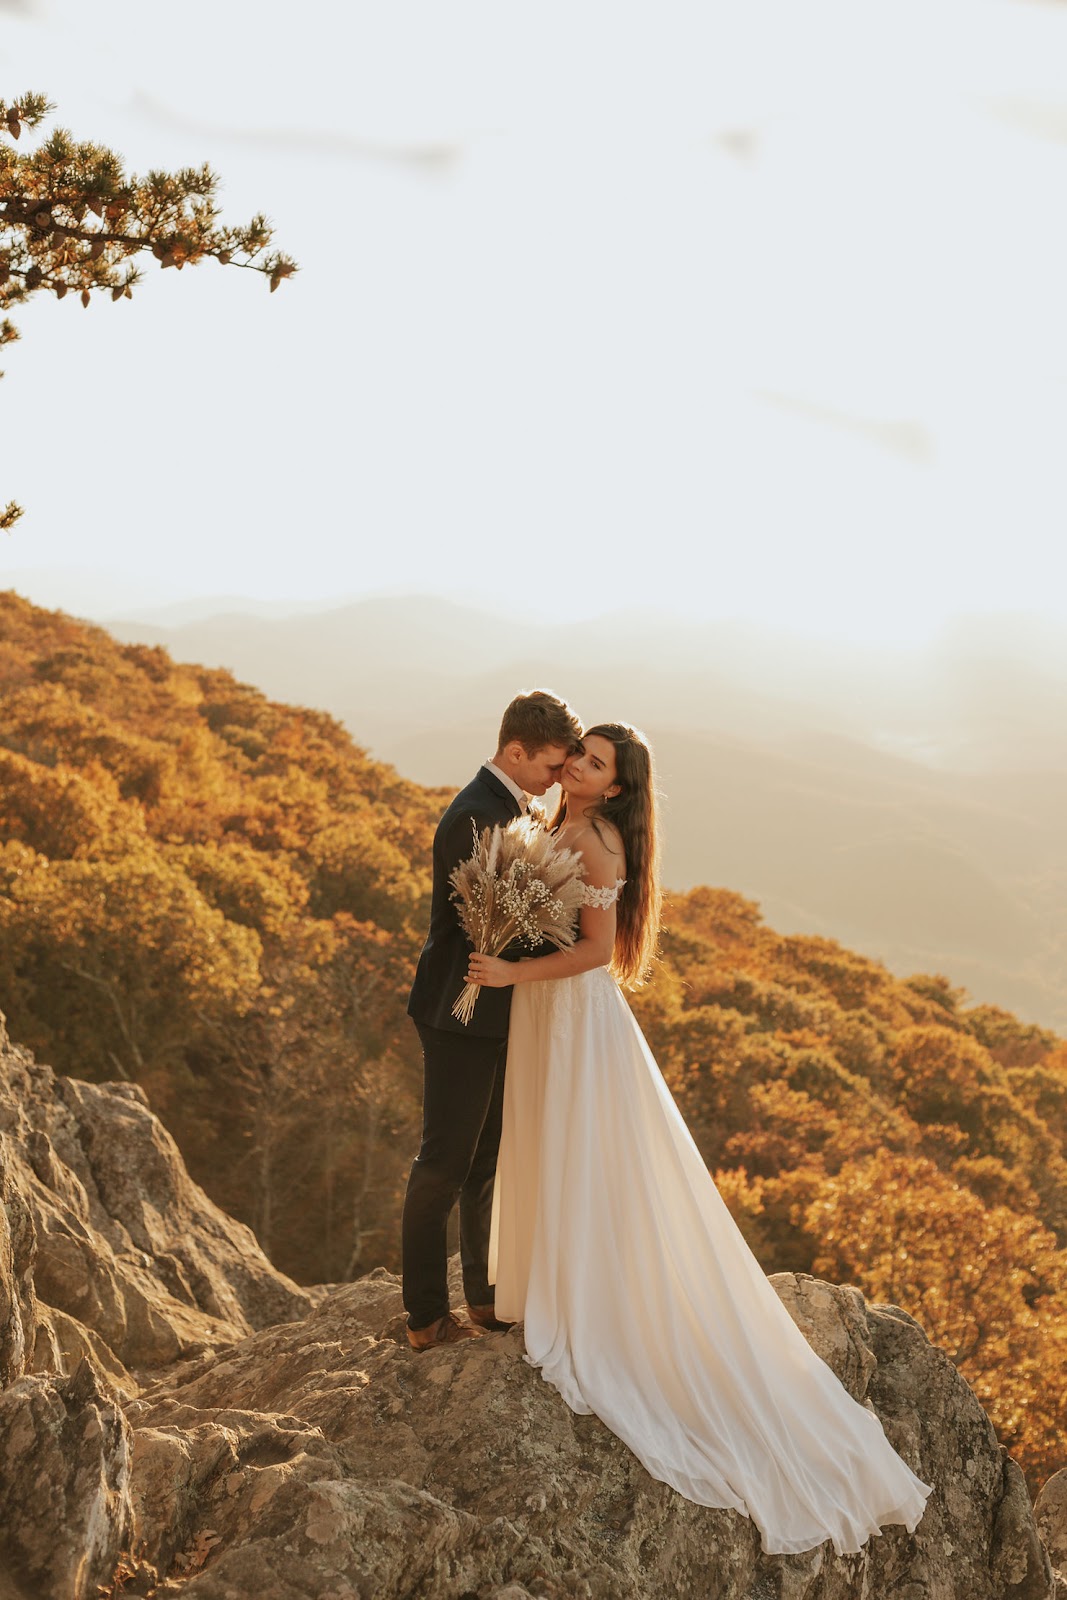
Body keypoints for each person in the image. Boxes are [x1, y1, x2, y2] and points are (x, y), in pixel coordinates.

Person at [467, 723, 933, 1557]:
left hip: (572, 1019)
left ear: (614, 788)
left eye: (595, 762)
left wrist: (506, 972)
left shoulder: (600, 842)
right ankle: (542, 1280)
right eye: (577, 751)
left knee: (586, 1158)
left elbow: (595, 952)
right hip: (538, 1017)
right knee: (543, 1148)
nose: (576, 763)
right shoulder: (550, 822)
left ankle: (586, 1299)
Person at [402, 688, 583, 1351]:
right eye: (551, 766)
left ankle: (483, 1296)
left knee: (484, 1160)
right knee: (443, 1164)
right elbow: (490, 925)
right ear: (516, 750)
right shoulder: (476, 816)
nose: (557, 779)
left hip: (496, 1007)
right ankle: (424, 1315)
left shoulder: (509, 808)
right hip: (460, 1008)